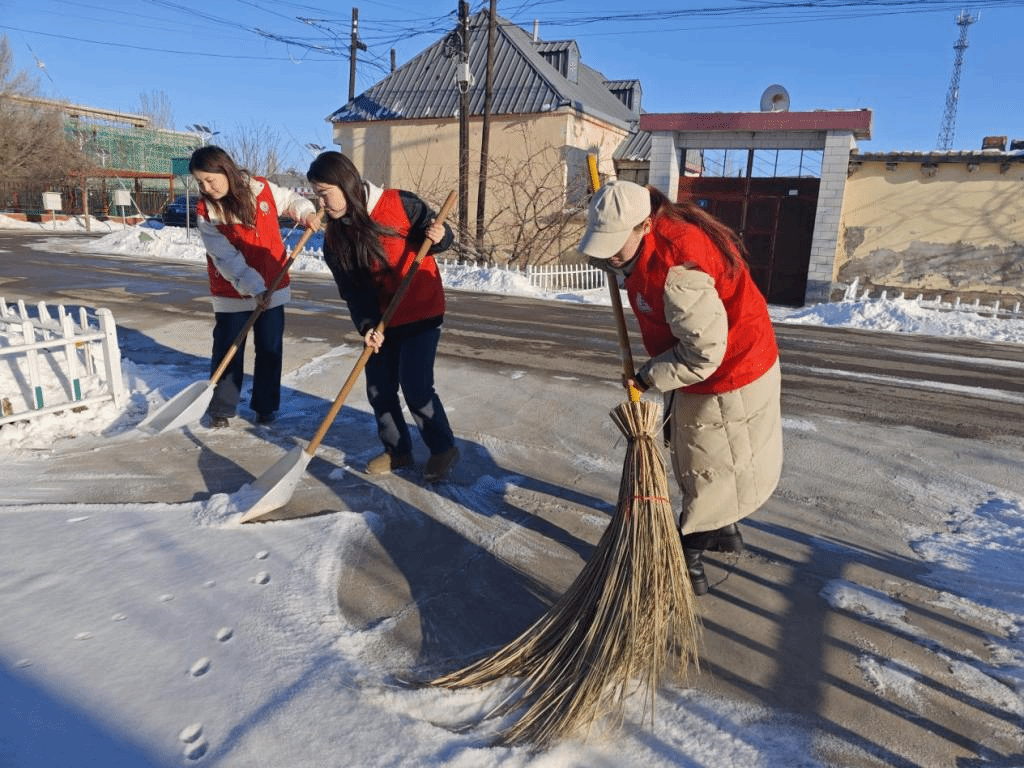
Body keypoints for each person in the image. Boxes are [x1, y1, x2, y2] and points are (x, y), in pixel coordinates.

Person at [578, 180, 783, 595]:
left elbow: (704, 354)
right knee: (717, 464)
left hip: (727, 373)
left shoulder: (678, 273)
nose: (611, 256)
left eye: (616, 245)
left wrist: (650, 376)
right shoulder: (657, 224)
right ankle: (724, 531)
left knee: (710, 466)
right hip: (722, 360)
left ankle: (687, 563)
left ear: (646, 226)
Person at [305, 151, 459, 483]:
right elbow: (352, 290)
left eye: (323, 193)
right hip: (382, 317)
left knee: (416, 386)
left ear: (345, 185)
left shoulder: (399, 204)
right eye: (316, 195)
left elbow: (438, 235)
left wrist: (440, 237)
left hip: (421, 308)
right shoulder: (335, 238)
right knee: (379, 388)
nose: (320, 203)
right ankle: (397, 450)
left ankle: (443, 448)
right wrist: (367, 325)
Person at [189, 145, 318, 428]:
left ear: (226, 170)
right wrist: (254, 288)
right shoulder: (207, 211)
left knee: (270, 349)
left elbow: (290, 200)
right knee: (228, 349)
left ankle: (265, 406)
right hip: (232, 292)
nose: (206, 187)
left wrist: (306, 213)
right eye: (200, 182)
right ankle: (222, 408)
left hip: (273, 285)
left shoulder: (261, 189)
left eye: (210, 179)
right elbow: (225, 257)